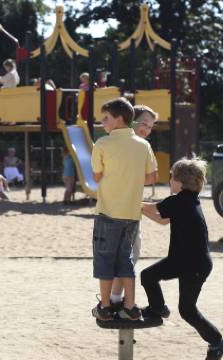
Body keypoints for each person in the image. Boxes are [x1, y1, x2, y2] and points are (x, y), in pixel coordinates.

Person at [140, 158, 223, 360]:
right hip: (187, 261)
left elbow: (155, 208)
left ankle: (216, 343)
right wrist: (140, 210)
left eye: (171, 177)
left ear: (180, 182)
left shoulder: (180, 200)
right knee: (150, 278)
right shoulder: (188, 200)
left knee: (185, 308)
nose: (169, 181)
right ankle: (158, 309)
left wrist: (134, 203)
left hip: (192, 264)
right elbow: (163, 220)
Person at [90, 97, 156, 321]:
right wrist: (131, 179)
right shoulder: (144, 145)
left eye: (106, 118)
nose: (102, 123)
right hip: (132, 214)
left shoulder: (102, 143)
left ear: (119, 119)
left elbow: (96, 176)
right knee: (126, 260)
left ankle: (106, 306)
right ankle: (130, 305)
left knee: (105, 259)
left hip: (108, 212)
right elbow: (152, 177)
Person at [109, 105, 160, 303]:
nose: (147, 129)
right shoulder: (137, 146)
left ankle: (113, 298)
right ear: (131, 120)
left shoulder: (118, 142)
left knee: (125, 255)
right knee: (129, 254)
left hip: (122, 206)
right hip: (124, 209)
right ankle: (114, 299)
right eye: (144, 124)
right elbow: (151, 177)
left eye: (150, 127)